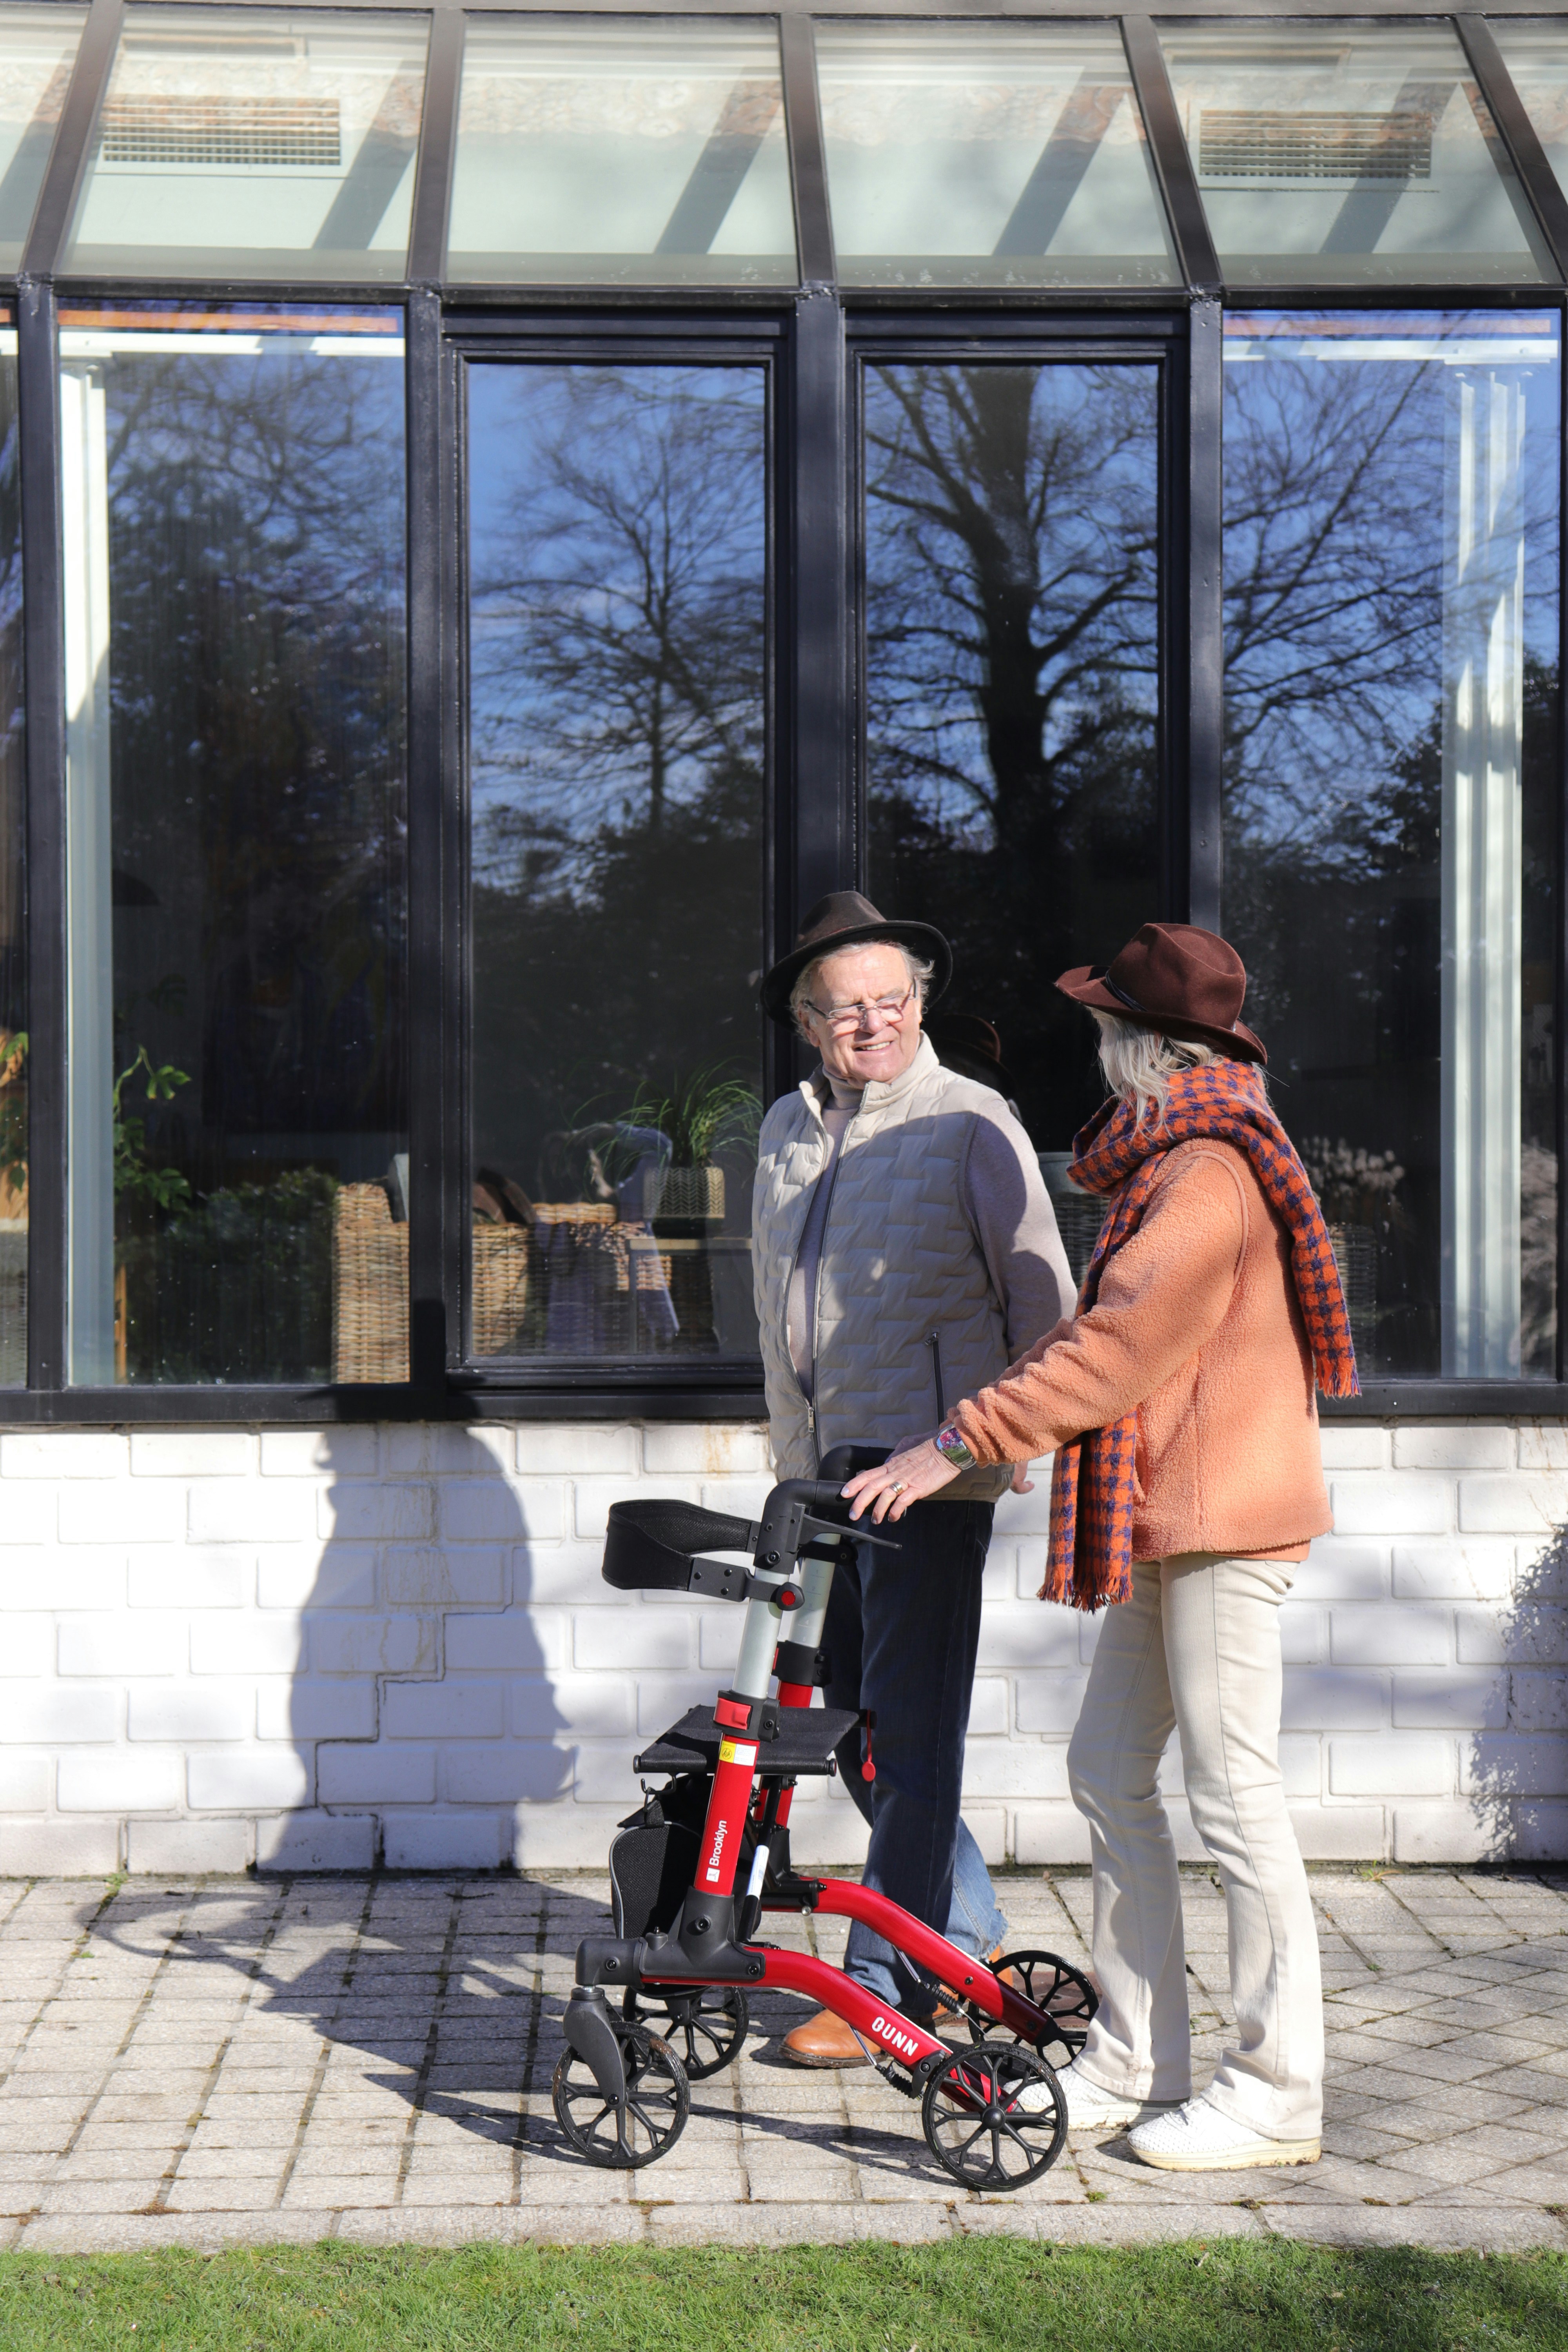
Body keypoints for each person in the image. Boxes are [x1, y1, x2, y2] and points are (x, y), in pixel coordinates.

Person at [842, 922, 1354, 2171]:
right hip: (1168, 1521)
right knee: (1108, 1772)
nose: (1097, 1054)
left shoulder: (1208, 1179)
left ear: (1146, 1048)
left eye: (1107, 1030)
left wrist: (953, 1441)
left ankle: (1278, 2089)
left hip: (1225, 1527)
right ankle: (1136, 2054)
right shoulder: (1172, 1165)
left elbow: (1113, 1347)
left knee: (1236, 1804)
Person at [752, 891, 1075, 2064]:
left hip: (930, 1469)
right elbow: (774, 1311)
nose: (873, 1025)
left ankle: (890, 1985)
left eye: (893, 1002)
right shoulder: (785, 1131)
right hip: (827, 1473)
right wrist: (793, 1464)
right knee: (846, 1725)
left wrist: (1013, 1439)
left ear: (921, 1005)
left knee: (912, 1732)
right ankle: (961, 1927)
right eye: (847, 1009)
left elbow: (1043, 1292)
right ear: (807, 1021)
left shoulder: (970, 1119)